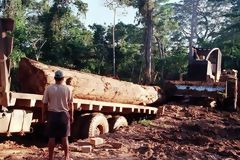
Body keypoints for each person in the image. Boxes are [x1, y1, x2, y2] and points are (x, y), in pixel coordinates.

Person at [43, 70, 74, 160]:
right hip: (64, 115)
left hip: (52, 115)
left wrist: (44, 116)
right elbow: (71, 104)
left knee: (51, 137)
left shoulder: (49, 88)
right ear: (63, 78)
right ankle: (66, 157)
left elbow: (44, 104)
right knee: (65, 137)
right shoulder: (68, 89)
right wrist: (71, 116)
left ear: (54, 78)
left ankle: (50, 157)